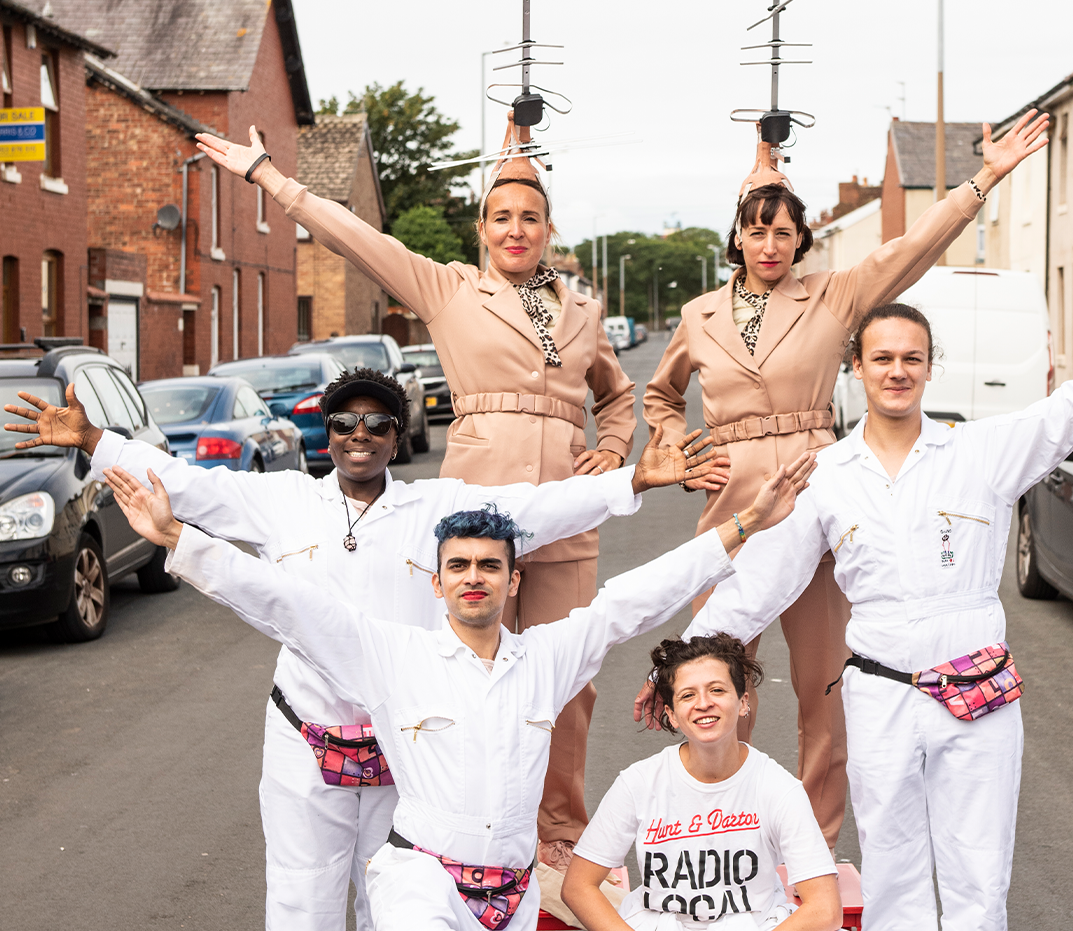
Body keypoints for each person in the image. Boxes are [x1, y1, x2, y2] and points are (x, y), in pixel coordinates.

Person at [3, 367, 727, 931]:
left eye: (378, 422)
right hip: (305, 736)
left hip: (404, 738)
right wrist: (97, 443)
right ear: (327, 432)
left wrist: (632, 480)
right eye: (345, 421)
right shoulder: (282, 501)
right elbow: (185, 486)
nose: (360, 434)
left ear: (396, 432)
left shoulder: (435, 508)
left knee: (397, 896)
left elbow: (537, 508)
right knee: (302, 899)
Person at [638, 251, 1073, 930]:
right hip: (881, 695)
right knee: (893, 873)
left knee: (979, 873)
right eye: (882, 358)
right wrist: (680, 662)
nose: (897, 371)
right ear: (857, 369)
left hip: (978, 694)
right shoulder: (828, 475)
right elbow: (761, 581)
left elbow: (1072, 409)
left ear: (929, 367)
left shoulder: (978, 454)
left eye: (912, 358)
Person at [97, 445, 814, 931]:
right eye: (460, 565)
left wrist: (745, 525)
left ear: (514, 580)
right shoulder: (389, 654)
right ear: (435, 583)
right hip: (423, 887)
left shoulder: (549, 657)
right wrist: (178, 542)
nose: (475, 577)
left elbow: (632, 601)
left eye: (490, 566)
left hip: (516, 888)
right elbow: (286, 601)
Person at [196, 116, 647, 871]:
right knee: (463, 670)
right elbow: (352, 237)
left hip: (566, 510)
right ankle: (467, 821)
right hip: (478, 503)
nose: (515, 229)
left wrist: (609, 449)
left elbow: (620, 395)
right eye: (501, 216)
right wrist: (269, 176)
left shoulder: (582, 311)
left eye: (529, 217)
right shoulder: (446, 288)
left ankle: (558, 833)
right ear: (481, 228)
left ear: (548, 227)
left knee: (570, 681)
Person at [641, 111, 1050, 847]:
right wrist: (677, 451)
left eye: (783, 232)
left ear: (801, 239)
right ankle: (720, 832)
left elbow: (912, 248)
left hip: (819, 505)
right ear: (735, 236)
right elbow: (659, 397)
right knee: (715, 684)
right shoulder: (699, 316)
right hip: (731, 513)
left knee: (823, 693)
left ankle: (814, 845)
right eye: (756, 230)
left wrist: (983, 178)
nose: (769, 245)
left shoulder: (835, 296)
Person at [562, 634, 841, 931]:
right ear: (672, 715)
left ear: (743, 702)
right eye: (687, 695)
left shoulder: (778, 788)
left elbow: (825, 909)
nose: (704, 703)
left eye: (717, 690)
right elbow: (578, 886)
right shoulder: (639, 783)